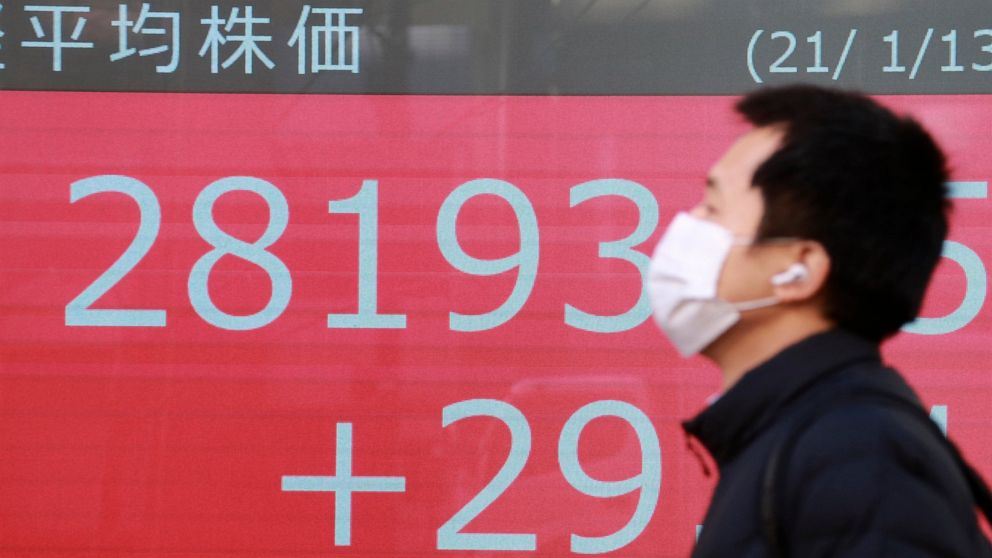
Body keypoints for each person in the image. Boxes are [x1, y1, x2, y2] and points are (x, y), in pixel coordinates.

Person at [645, 85, 992, 557]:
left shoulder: (859, 454)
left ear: (799, 269)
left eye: (713, 208)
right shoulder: (810, 439)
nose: (687, 224)